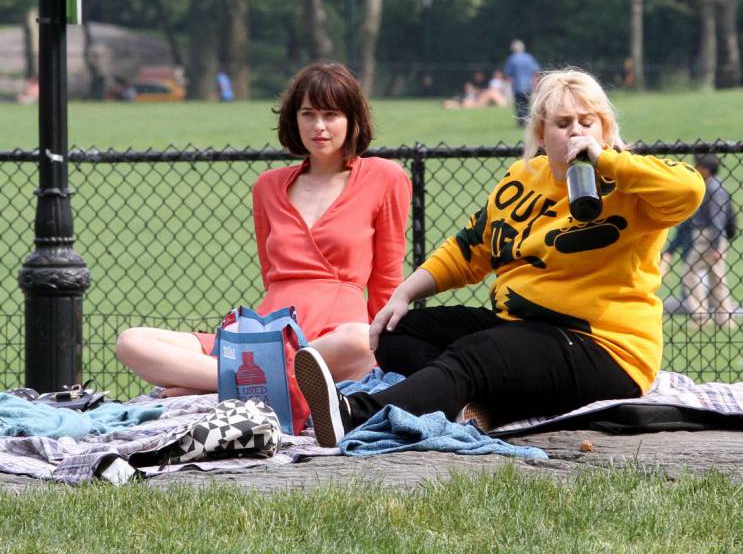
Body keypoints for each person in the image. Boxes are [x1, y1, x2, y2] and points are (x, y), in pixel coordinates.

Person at [292, 67, 705, 447]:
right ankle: (470, 404)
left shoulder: (631, 184)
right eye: (563, 123)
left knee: (475, 357)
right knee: (398, 333)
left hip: (601, 347)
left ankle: (353, 414)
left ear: (605, 128)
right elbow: (470, 248)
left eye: (587, 122)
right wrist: (404, 294)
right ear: (541, 133)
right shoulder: (522, 178)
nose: (576, 132)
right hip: (520, 328)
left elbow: (689, 190)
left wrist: (604, 159)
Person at [116, 62, 412, 397]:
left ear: (352, 120)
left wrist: (390, 352)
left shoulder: (384, 177)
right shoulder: (268, 186)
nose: (319, 126)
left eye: (331, 115)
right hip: (263, 334)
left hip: (336, 335)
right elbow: (272, 277)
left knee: (359, 341)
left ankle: (213, 383)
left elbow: (388, 280)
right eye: (308, 114)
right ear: (294, 119)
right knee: (132, 342)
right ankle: (248, 380)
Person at [682, 154, 735, 328]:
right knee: (717, 278)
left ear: (705, 169)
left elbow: (717, 219)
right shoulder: (714, 185)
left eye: (698, 166)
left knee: (689, 273)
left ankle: (700, 316)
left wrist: (717, 245)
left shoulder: (713, 189)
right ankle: (725, 319)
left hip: (707, 237)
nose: (696, 169)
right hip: (713, 237)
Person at [503, 39, 540, 126]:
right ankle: (527, 120)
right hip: (528, 85)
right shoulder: (529, 57)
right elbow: (536, 70)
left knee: (520, 104)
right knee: (527, 104)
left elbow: (508, 74)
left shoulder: (512, 59)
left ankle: (521, 122)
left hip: (518, 86)